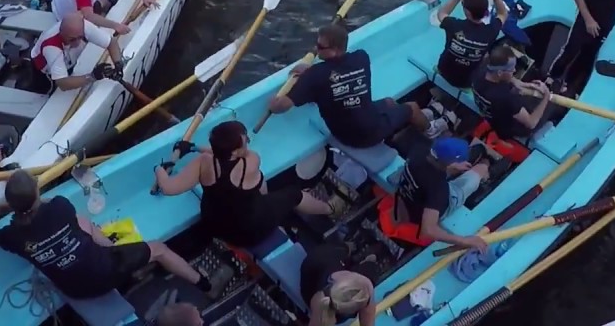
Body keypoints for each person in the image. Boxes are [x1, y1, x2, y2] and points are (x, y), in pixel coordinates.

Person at [0, 169, 232, 300]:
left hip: (74, 290)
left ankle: (128, 265)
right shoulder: (60, 207)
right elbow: (46, 204)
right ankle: (206, 286)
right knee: (159, 249)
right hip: (105, 272)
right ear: (37, 194)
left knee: (82, 224)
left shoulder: (13, 236)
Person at [153, 120, 333, 249]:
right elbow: (233, 155)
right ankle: (329, 209)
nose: (247, 141)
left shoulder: (203, 162)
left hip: (215, 224)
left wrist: (160, 169)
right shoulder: (251, 161)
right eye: (246, 139)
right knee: (294, 194)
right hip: (249, 232)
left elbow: (169, 188)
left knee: (258, 183)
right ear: (238, 149)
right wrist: (196, 147)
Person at [267, 22, 428, 149]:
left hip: (346, 134)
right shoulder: (361, 58)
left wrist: (275, 98)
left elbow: (279, 107)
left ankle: (421, 131)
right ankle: (429, 128)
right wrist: (310, 73)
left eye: (321, 47)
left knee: (389, 102)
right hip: (364, 132)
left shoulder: (314, 76)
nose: (316, 50)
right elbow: (333, 75)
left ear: (335, 50)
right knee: (412, 107)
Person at [393, 137, 491, 249]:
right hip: (430, 207)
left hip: (411, 195)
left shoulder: (418, 151)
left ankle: (464, 166)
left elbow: (433, 167)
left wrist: (449, 166)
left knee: (470, 159)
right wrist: (465, 241)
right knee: (477, 174)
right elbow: (428, 230)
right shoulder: (439, 189)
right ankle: (487, 169)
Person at [435, 0, 508, 90]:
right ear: (485, 11)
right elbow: (502, 13)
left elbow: (442, 13)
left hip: (443, 70)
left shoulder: (453, 25)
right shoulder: (490, 31)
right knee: (488, 56)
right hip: (466, 82)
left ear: (467, 12)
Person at [475, 44, 554, 143]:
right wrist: (546, 96)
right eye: (511, 69)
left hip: (493, 115)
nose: (515, 70)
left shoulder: (479, 73)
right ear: (500, 73)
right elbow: (531, 123)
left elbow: (499, 76)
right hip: (509, 129)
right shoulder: (506, 98)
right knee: (551, 106)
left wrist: (516, 81)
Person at [30, 11, 125, 92]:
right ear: (62, 33)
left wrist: (118, 64)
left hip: (68, 60)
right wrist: (93, 76)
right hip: (45, 71)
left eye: (80, 37)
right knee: (44, 90)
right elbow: (62, 83)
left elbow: (111, 43)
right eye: (72, 39)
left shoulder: (82, 26)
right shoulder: (51, 47)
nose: (77, 42)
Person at [300, 243, 376, 326]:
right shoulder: (320, 304)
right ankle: (368, 262)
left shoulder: (321, 300)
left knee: (342, 249)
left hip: (320, 259)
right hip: (312, 284)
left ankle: (351, 248)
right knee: (369, 271)